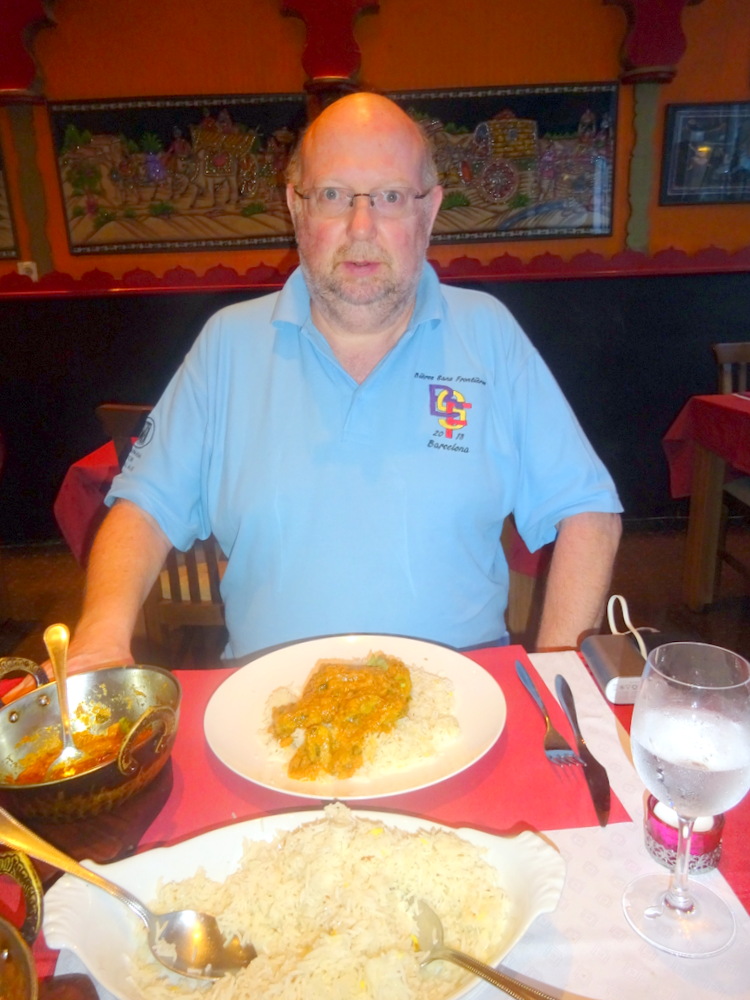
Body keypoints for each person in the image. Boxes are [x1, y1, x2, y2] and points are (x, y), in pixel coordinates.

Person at [66, 92, 622, 674]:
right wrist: (99, 639)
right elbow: (144, 507)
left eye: (390, 197)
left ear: (429, 211)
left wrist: (558, 672)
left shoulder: (489, 333)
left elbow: (588, 510)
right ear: (296, 207)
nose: (362, 227)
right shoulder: (227, 342)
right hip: (268, 705)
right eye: (333, 195)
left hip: (462, 704)